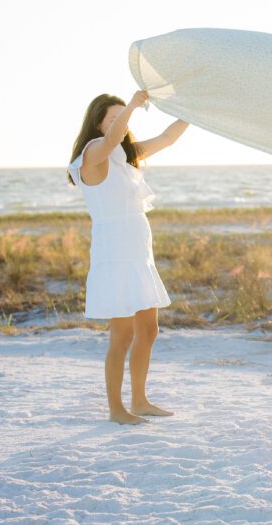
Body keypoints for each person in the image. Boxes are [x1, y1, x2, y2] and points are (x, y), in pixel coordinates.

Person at [67, 91, 189, 424]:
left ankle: (140, 400)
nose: (122, 123)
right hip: (115, 256)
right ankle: (116, 410)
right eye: (113, 117)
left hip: (138, 256)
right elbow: (111, 138)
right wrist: (133, 105)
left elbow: (167, 138)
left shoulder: (124, 156)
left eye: (123, 116)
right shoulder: (93, 153)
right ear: (98, 123)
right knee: (121, 335)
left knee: (148, 330)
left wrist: (193, 112)